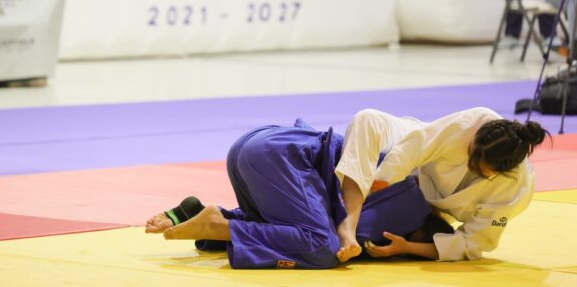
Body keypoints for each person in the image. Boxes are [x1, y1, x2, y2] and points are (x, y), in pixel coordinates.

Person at [145, 119, 454, 269]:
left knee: (294, 223)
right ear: (420, 232)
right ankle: (223, 227)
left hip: (256, 145)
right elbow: (338, 235)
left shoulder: (409, 180)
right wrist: (402, 248)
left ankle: (195, 215)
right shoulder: (407, 212)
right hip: (279, 161)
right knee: (323, 247)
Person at [334, 107, 548, 263]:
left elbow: (470, 244)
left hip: (432, 200)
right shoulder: (472, 123)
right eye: (470, 152)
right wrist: (379, 182)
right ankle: (349, 225)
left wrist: (408, 247)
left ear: (500, 172)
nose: (469, 163)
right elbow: (413, 149)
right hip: (424, 161)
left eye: (478, 167)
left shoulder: (511, 190)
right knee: (367, 119)